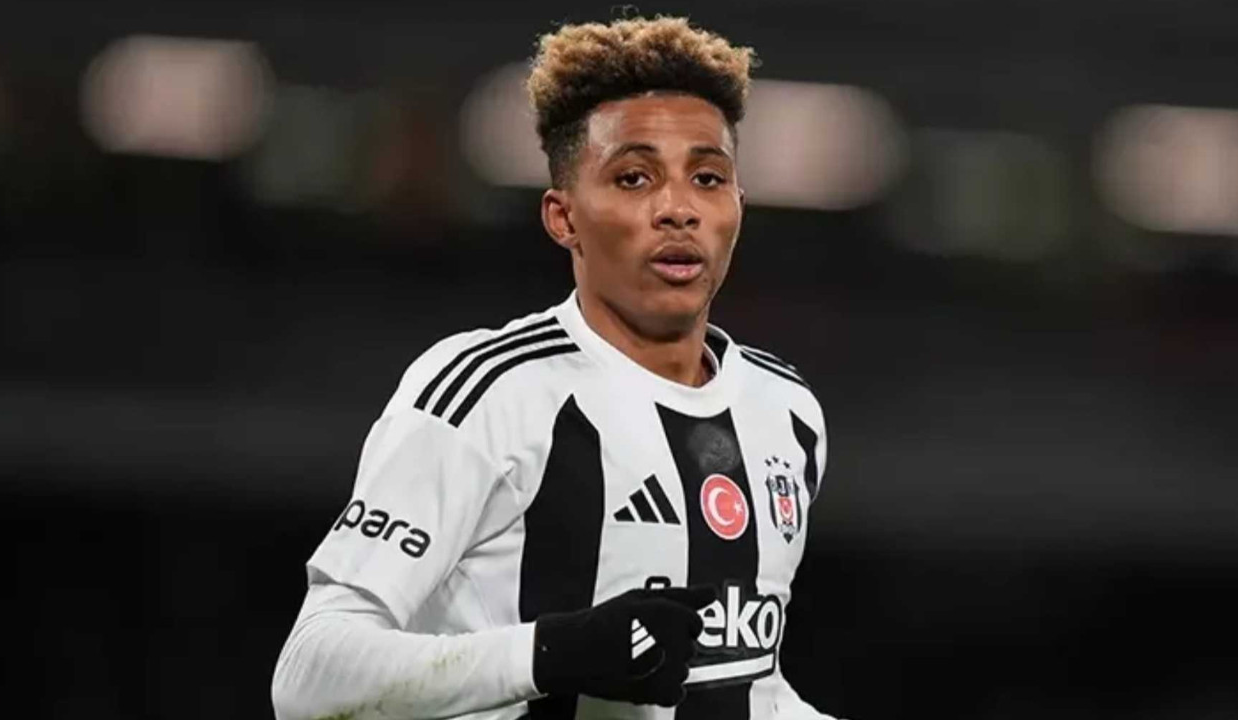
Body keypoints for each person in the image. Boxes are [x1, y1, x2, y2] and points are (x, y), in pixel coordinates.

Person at [272, 14, 836, 720]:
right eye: (634, 177)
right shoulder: (489, 392)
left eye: (707, 178)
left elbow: (748, 690)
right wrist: (552, 654)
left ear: (738, 207)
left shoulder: (786, 410)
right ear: (563, 218)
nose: (678, 210)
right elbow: (310, 674)